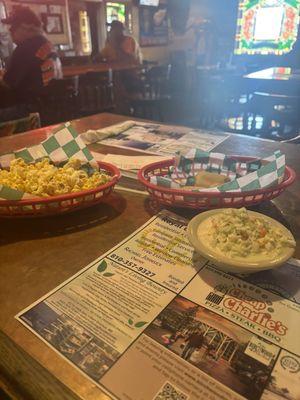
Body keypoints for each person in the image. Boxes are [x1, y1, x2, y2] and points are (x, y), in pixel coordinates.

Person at [0, 6, 62, 105]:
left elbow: (8, 84)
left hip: (32, 111)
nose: (10, 32)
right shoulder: (46, 44)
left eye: (12, 29)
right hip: (52, 105)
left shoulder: (26, 48)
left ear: (26, 28)